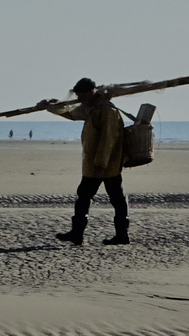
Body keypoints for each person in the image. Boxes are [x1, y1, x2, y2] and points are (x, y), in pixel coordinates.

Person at [42, 78, 128, 246]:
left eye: (81, 94)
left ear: (90, 93)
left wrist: (101, 163)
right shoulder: (91, 108)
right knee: (83, 196)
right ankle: (77, 233)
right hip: (93, 165)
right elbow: (71, 113)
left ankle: (122, 235)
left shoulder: (106, 110)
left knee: (116, 199)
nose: (78, 97)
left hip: (106, 165)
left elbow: (108, 138)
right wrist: (50, 106)